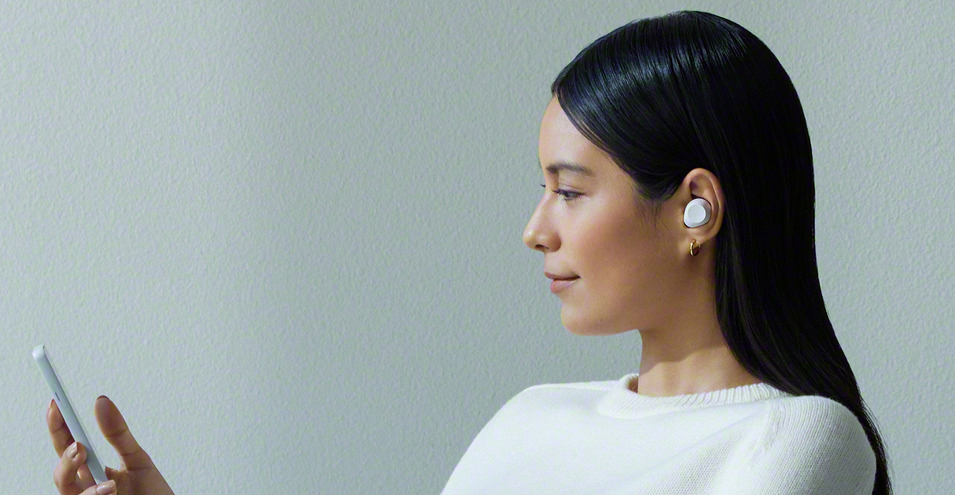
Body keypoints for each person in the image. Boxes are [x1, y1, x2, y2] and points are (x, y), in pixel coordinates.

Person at [45, 10, 890, 495]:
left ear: (693, 206)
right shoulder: (531, 416)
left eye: (569, 189)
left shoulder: (797, 437)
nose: (535, 228)